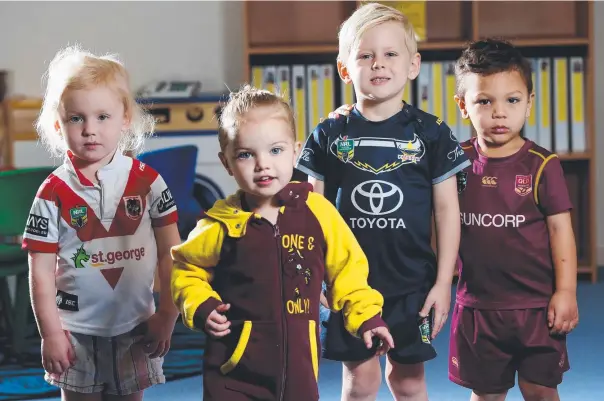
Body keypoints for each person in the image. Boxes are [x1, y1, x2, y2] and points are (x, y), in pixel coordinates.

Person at [170, 85, 394, 401]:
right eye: (246, 155)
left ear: (295, 151)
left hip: (298, 371)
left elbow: (349, 273)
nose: (263, 165)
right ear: (226, 163)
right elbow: (186, 271)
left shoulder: (318, 212)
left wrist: (367, 317)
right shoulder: (219, 224)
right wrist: (200, 305)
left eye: (275, 151)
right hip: (232, 371)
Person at [295, 3, 470, 400]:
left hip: (411, 282)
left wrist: (444, 282)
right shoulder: (328, 135)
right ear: (345, 69)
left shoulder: (432, 134)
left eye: (391, 54)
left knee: (408, 382)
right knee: (360, 381)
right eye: (365, 55)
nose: (379, 64)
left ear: (413, 65)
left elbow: (446, 211)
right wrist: (315, 273)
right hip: (348, 282)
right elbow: (313, 210)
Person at [23, 45, 181, 401]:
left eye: (102, 117)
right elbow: (41, 272)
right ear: (57, 124)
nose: (89, 130)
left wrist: (168, 313)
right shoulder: (52, 193)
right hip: (75, 333)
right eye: (76, 118)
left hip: (137, 326)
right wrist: (51, 334)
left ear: (124, 117)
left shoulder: (149, 182)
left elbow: (173, 254)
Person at [449, 38, 579, 401]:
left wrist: (566, 291)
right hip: (478, 307)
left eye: (512, 100)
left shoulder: (543, 165)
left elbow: (560, 230)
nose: (499, 112)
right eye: (484, 101)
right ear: (463, 106)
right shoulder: (455, 163)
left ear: (529, 103)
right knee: (487, 394)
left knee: (540, 390)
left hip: (536, 308)